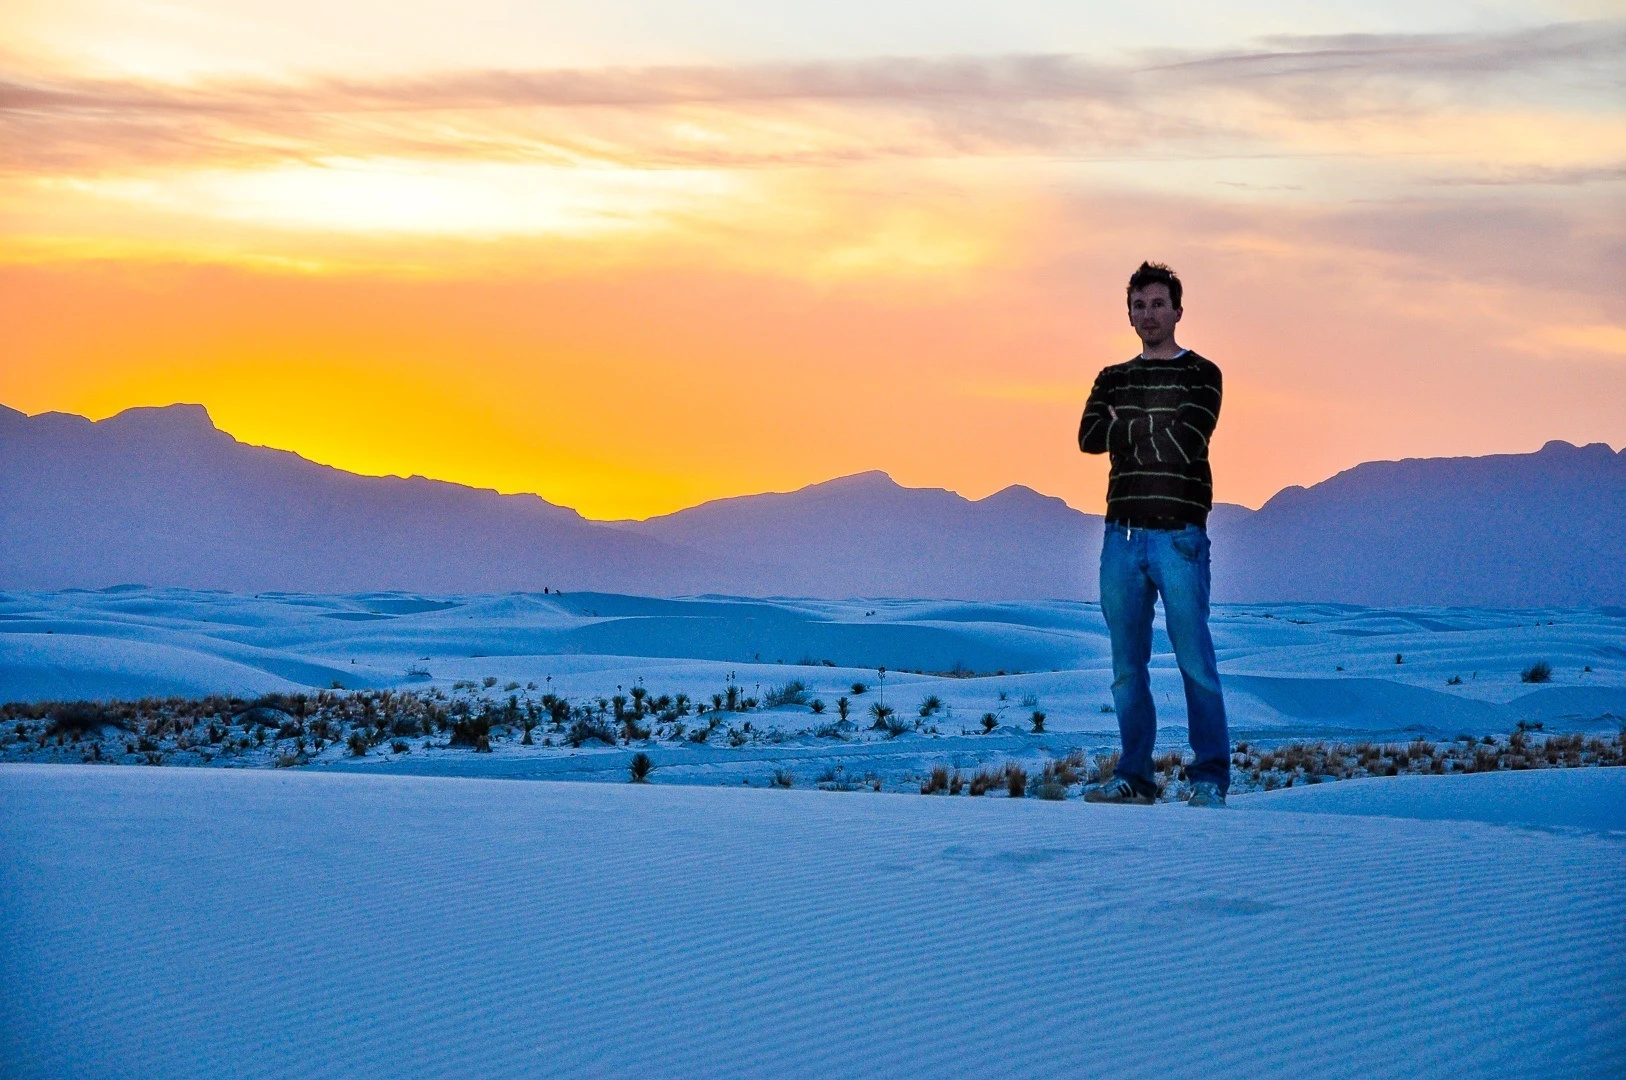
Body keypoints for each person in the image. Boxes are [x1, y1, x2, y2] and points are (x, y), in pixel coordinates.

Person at [1077, 261, 1229, 807]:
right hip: (1122, 538)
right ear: (1129, 313)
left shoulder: (1202, 374)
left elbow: (1189, 437)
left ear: (1178, 311)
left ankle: (1210, 777)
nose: (1149, 314)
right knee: (1125, 668)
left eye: (1158, 304)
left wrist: (1129, 425)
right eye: (1139, 305)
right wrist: (1153, 421)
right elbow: (1089, 437)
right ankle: (1134, 777)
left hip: (1180, 537)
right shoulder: (1111, 376)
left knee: (1195, 663)